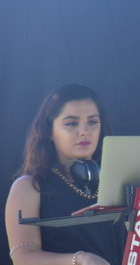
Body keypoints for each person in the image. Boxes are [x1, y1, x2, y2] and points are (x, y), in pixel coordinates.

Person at [5, 83, 126, 265]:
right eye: (71, 123)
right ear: (49, 132)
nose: (84, 131)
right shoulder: (29, 186)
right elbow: (23, 257)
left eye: (92, 122)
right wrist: (81, 259)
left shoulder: (120, 181)